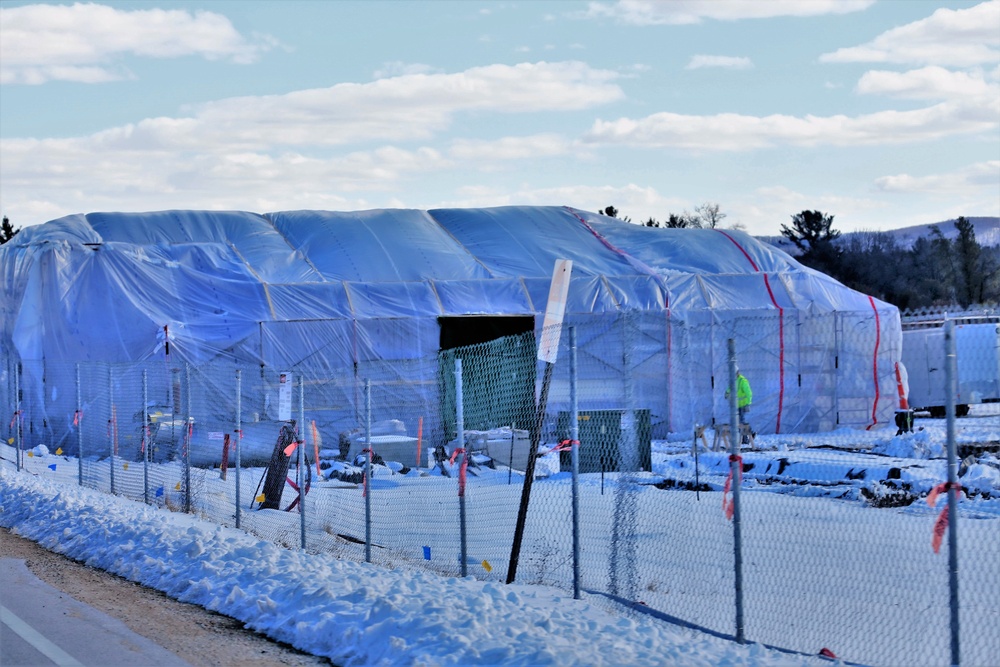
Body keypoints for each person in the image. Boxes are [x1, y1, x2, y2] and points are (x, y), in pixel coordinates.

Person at [725, 367, 753, 444]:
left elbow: (749, 393)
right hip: (735, 405)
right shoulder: (733, 381)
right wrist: (727, 393)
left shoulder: (743, 381)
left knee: (741, 421)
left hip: (742, 405)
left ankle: (745, 438)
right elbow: (729, 388)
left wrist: (748, 403)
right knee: (737, 422)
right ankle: (741, 437)